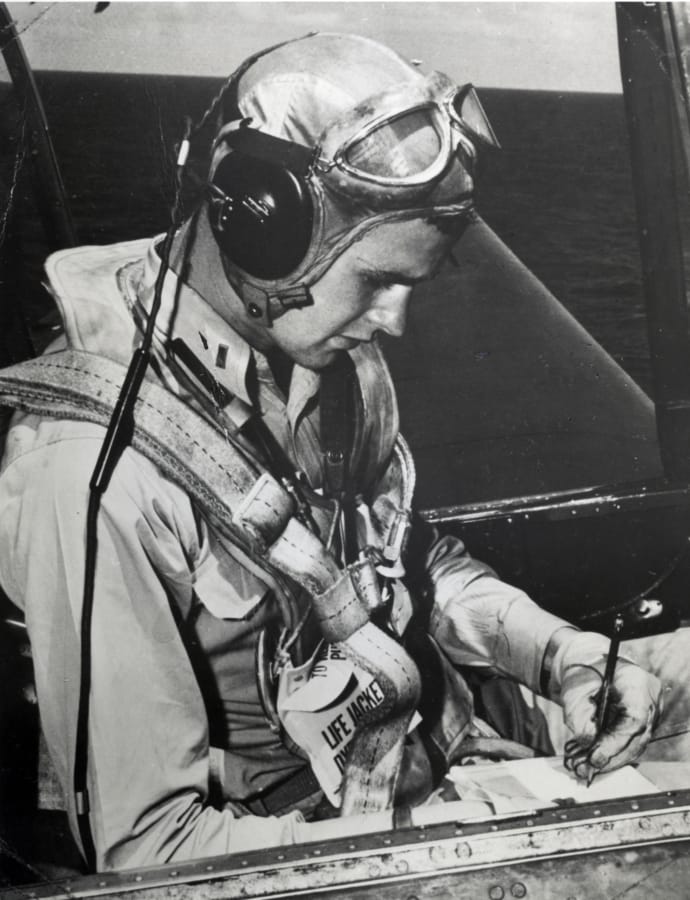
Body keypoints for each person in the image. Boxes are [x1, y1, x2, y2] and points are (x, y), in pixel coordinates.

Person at [0, 31, 680, 873]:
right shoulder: (90, 473)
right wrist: (461, 853)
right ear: (265, 226)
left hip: (452, 737)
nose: (395, 322)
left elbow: (407, 565)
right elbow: (150, 855)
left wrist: (560, 655)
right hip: (321, 841)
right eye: (376, 280)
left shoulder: (324, 355)